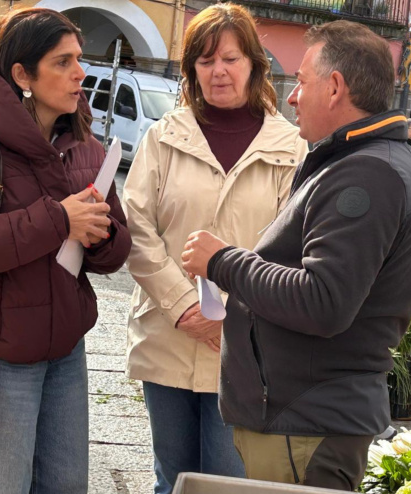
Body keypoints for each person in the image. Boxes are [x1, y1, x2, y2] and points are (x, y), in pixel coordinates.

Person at [180, 20, 411, 490]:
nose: (292, 96)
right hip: (301, 421)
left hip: (305, 426)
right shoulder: (359, 163)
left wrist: (223, 263)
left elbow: (323, 301)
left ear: (335, 87)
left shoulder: (366, 176)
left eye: (300, 80)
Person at [0, 8, 131, 493]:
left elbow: (116, 249)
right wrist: (58, 219)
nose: (80, 73)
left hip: (65, 352)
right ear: (22, 75)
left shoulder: (85, 146)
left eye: (79, 59)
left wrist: (100, 233)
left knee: (64, 486)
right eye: (62, 62)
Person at [122, 4, 307, 493]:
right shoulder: (163, 137)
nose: (218, 71)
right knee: (172, 478)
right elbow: (136, 228)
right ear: (191, 71)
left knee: (226, 482)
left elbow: (291, 250)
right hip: (167, 334)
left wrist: (229, 312)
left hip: (244, 346)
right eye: (204, 61)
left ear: (253, 63)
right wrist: (184, 306)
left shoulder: (290, 148)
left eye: (229, 58)